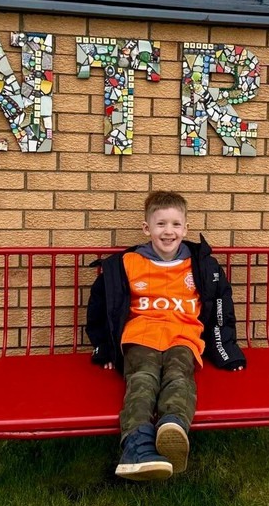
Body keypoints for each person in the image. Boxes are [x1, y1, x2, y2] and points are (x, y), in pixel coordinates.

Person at [85, 190, 246, 480]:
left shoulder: (201, 265)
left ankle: (172, 428)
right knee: (142, 377)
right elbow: (101, 306)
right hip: (141, 335)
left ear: (185, 228)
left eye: (175, 224)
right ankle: (136, 446)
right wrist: (104, 349)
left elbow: (221, 305)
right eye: (160, 224)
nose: (168, 231)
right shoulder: (126, 264)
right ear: (147, 228)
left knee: (178, 375)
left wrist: (227, 351)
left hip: (183, 336)